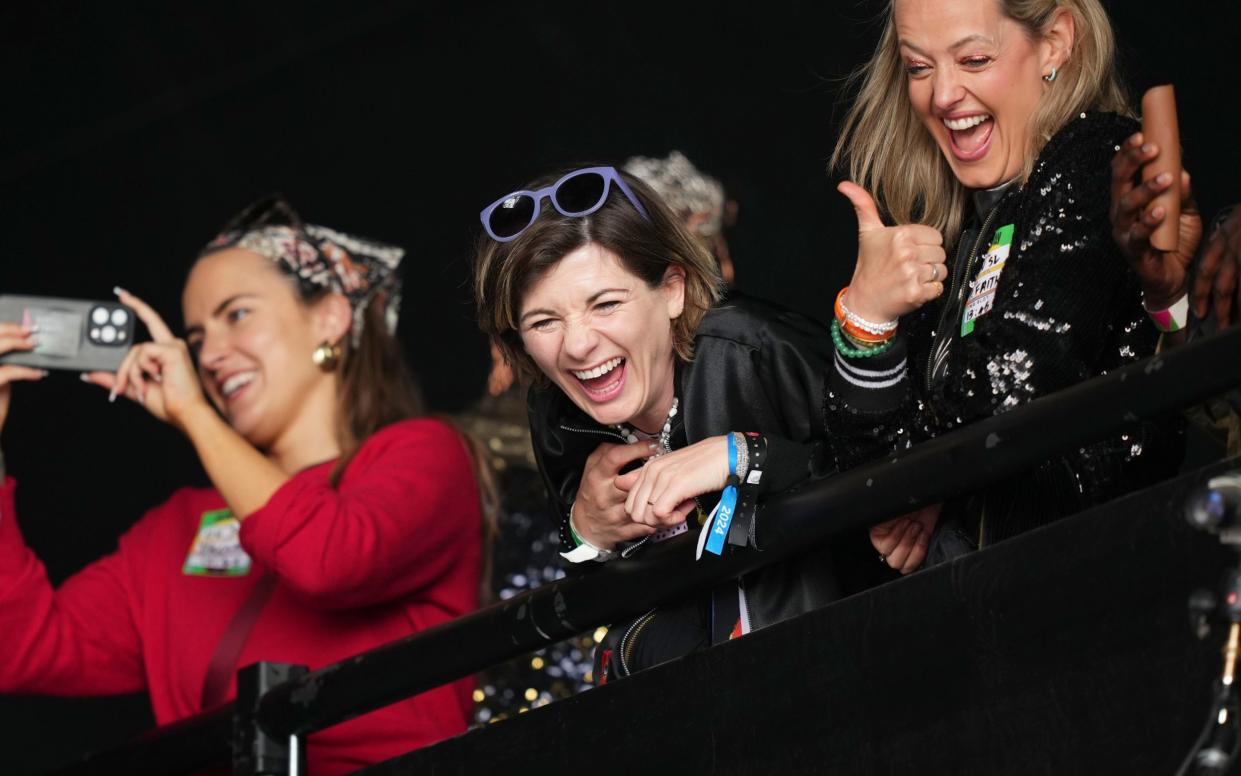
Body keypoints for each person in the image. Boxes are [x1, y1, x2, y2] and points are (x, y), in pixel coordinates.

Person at [0, 196, 483, 774]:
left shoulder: (423, 454)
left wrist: (192, 414)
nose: (211, 355)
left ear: (330, 316)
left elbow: (328, 559)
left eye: (236, 315)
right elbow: (23, 648)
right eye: (197, 337)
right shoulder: (178, 526)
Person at [826, 0, 1194, 574]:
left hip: (1104, 600)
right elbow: (865, 486)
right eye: (919, 67)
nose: (942, 94)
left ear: (1055, 43)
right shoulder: (964, 231)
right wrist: (865, 320)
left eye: (973, 59)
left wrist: (920, 478)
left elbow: (1010, 381)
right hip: (997, 617)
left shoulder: (1097, 157)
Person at [472, 165, 838, 680]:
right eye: (544, 321)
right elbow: (598, 596)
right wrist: (585, 535)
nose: (577, 345)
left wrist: (745, 457)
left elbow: (898, 483)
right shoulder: (556, 411)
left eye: (605, 304)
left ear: (671, 290)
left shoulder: (754, 350)